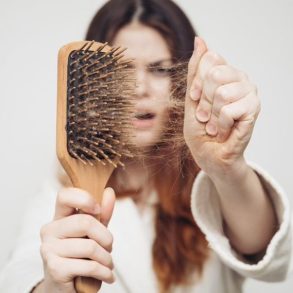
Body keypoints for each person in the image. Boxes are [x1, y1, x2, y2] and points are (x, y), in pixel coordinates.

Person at [0, 0, 291, 292]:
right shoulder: (62, 196)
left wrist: (227, 167)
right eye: (123, 69)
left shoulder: (213, 188)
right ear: (93, 81)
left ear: (186, 79)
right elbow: (22, 275)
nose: (140, 87)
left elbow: (263, 248)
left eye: (160, 70)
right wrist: (53, 285)